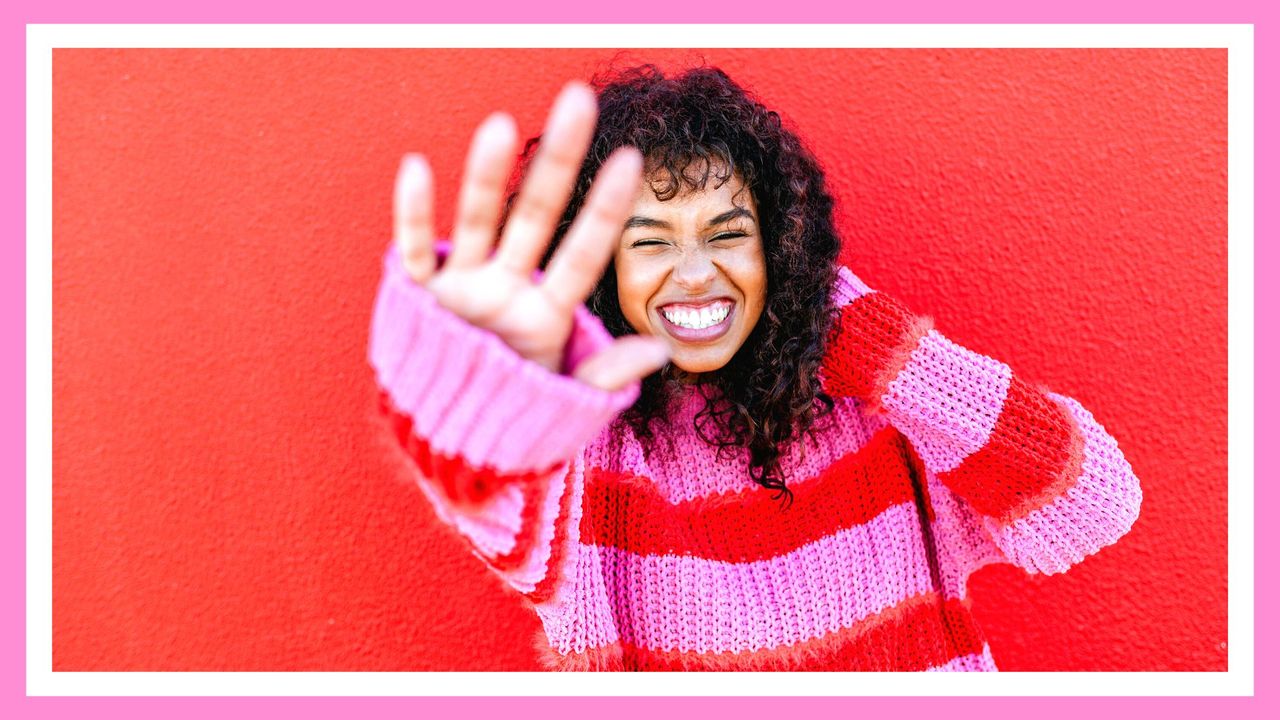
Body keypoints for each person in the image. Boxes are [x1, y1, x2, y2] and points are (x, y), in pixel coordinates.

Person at [367, 64, 1143, 671]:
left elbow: (1093, 505)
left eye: (728, 234)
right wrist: (500, 392)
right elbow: (493, 492)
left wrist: (867, 339)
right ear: (603, 273)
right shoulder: (587, 464)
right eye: (651, 242)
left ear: (779, 248)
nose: (697, 272)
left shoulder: (873, 415)